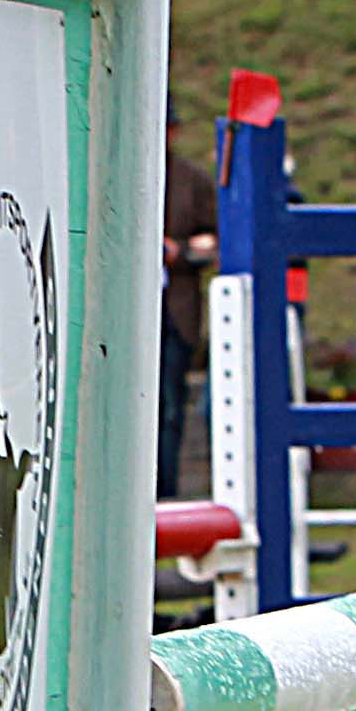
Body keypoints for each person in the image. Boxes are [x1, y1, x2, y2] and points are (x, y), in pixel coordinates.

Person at [160, 101, 218, 509]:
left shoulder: (191, 182)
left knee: (169, 408)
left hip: (174, 310)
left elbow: (216, 242)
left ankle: (165, 497)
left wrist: (176, 252)